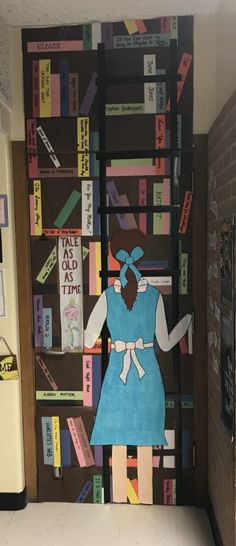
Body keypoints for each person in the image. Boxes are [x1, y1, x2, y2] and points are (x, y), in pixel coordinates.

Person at [84, 229, 192, 504]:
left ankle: (119, 503)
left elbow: (87, 339)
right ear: (142, 257)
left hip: (118, 376)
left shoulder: (108, 296)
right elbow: (166, 344)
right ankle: (145, 504)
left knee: (118, 441)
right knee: (146, 441)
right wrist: (188, 321)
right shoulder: (154, 295)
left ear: (113, 256)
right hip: (147, 376)